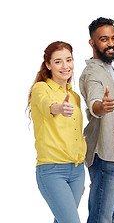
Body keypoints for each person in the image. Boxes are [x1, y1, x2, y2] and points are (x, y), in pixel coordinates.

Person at [79, 17, 114, 223]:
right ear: (92, 43)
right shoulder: (93, 71)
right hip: (104, 156)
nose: (111, 43)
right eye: (104, 39)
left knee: (109, 217)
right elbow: (94, 100)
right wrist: (100, 107)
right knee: (101, 217)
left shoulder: (110, 69)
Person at [27, 41, 86, 223]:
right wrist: (59, 108)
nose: (65, 66)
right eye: (58, 61)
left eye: (69, 60)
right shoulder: (40, 88)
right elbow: (47, 106)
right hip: (52, 170)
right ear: (48, 64)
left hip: (77, 170)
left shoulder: (74, 96)